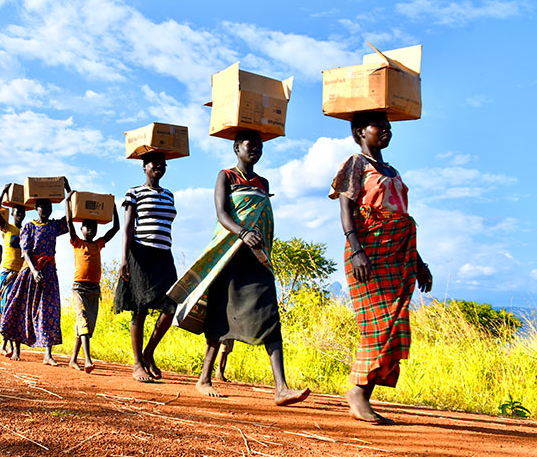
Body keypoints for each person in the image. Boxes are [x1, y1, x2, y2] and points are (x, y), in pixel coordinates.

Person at [167, 130, 310, 404]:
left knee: (270, 314)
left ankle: (281, 387)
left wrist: (257, 243)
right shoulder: (226, 176)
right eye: (250, 144)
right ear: (236, 148)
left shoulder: (263, 182)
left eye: (259, 146)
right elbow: (221, 214)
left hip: (256, 257)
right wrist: (243, 233)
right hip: (229, 255)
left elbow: (265, 218)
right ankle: (204, 378)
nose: (255, 149)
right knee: (220, 316)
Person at [329, 111, 432, 424]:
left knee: (394, 323)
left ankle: (365, 393)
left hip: (398, 255)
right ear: (361, 132)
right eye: (380, 126)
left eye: (389, 127)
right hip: (369, 253)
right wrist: (356, 248)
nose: (386, 131)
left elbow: (399, 215)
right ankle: (357, 392)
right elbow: (346, 206)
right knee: (376, 324)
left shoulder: (392, 170)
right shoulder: (355, 163)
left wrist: (419, 262)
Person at [114, 152, 177, 382]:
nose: (159, 167)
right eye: (154, 164)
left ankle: (149, 352)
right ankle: (137, 364)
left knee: (171, 306)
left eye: (163, 164)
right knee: (139, 308)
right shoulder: (134, 193)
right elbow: (128, 227)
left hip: (164, 255)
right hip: (140, 254)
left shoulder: (169, 195)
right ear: (144, 167)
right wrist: (124, 259)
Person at [1, 177, 72, 363]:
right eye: (43, 207)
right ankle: (16, 350)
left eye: (49, 207)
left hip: (48, 272)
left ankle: (48, 354)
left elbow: (70, 217)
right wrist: (33, 271)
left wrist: (68, 190)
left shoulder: (53, 226)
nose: (46, 210)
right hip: (30, 272)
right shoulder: (29, 227)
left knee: (49, 310)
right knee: (20, 307)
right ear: (36, 208)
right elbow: (25, 251)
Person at [65, 192, 120, 374]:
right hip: (79, 288)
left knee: (85, 326)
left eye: (93, 228)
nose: (90, 231)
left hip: (94, 290)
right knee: (84, 322)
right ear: (81, 229)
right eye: (87, 227)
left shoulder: (98, 244)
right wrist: (67, 202)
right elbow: (68, 224)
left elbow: (116, 228)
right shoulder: (77, 242)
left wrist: (112, 207)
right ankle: (87, 359)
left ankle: (73, 359)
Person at [0, 185, 27, 357]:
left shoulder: (27, 230)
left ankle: (16, 349)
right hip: (6, 271)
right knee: (6, 307)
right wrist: (3, 192)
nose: (20, 214)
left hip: (19, 274)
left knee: (17, 309)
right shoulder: (7, 227)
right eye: (16, 211)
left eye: (22, 212)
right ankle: (4, 343)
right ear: (12, 213)